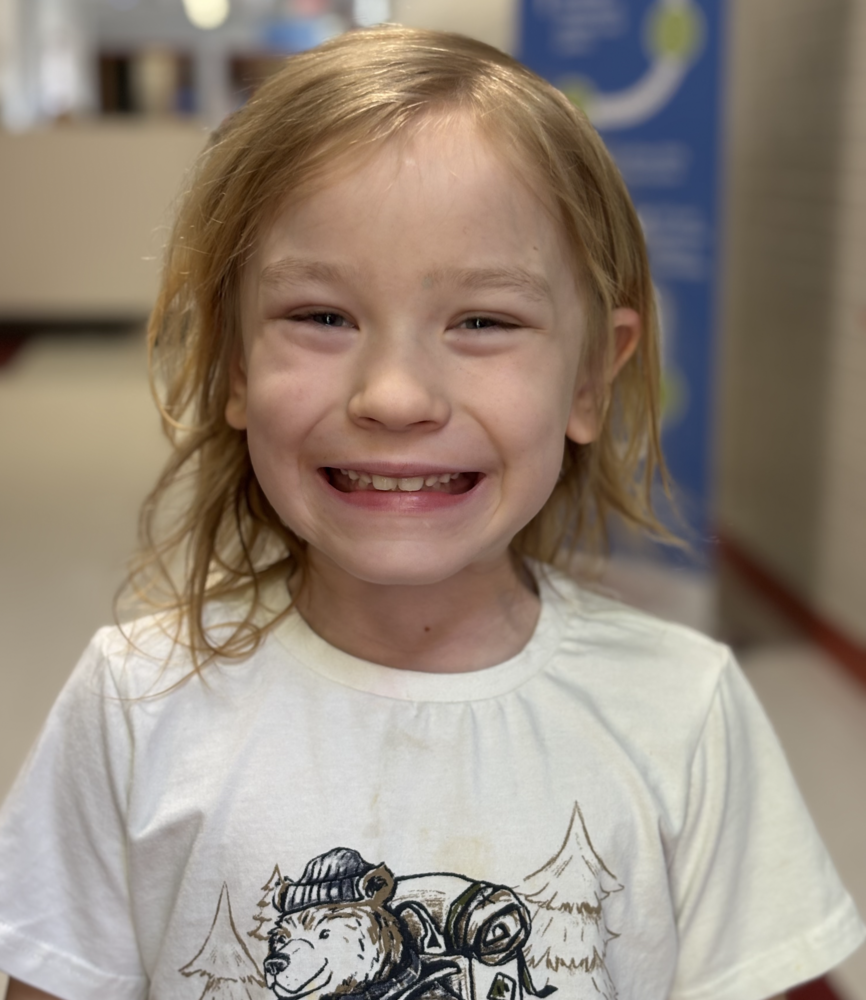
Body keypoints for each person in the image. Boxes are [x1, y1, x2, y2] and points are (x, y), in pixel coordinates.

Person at [0, 25, 862, 1000]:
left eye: (482, 321)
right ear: (236, 364)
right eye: (321, 316)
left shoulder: (680, 711)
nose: (395, 394)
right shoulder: (133, 706)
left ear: (589, 377)